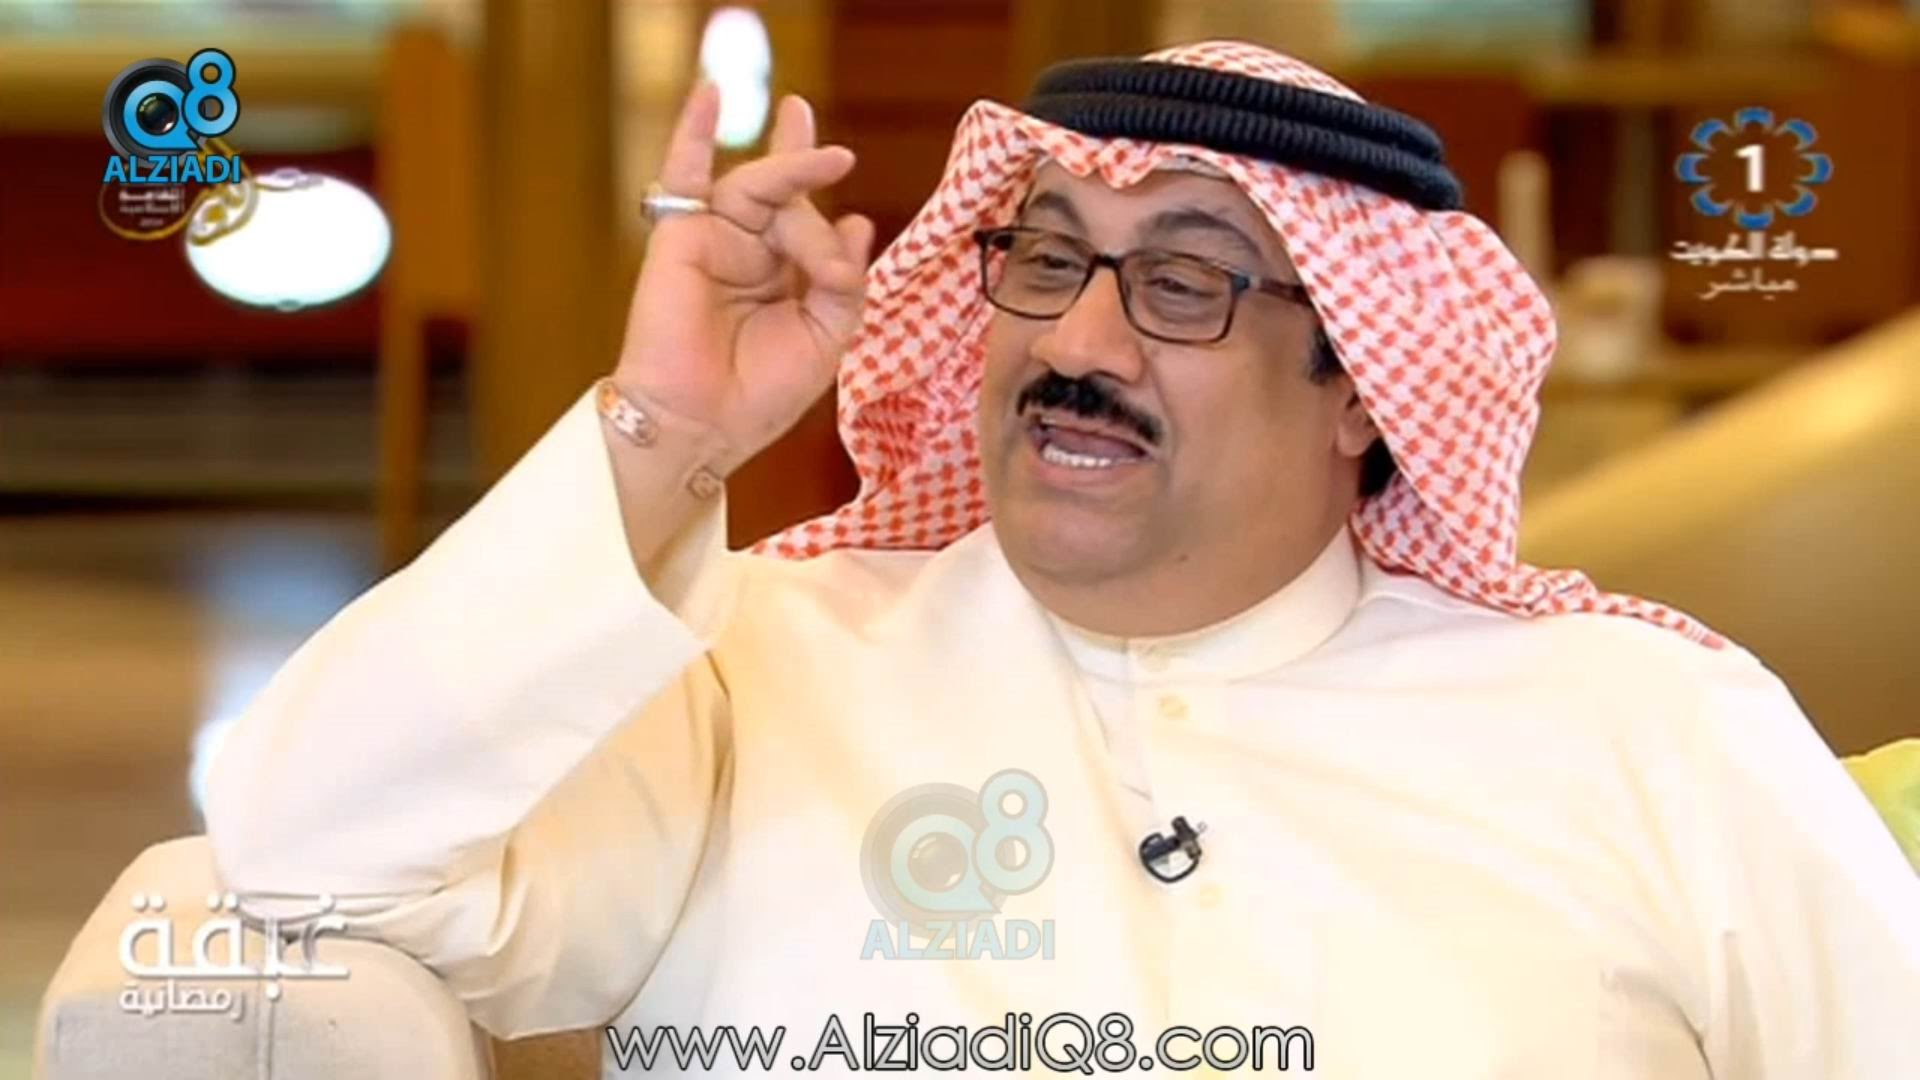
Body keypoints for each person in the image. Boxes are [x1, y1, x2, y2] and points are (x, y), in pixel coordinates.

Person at [204, 41, 1920, 1078]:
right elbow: (305, 851)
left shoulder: (1647, 728)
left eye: (1183, 281)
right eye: (1046, 260)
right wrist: (662, 428)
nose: (1078, 340)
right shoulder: (764, 664)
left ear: (1363, 390)